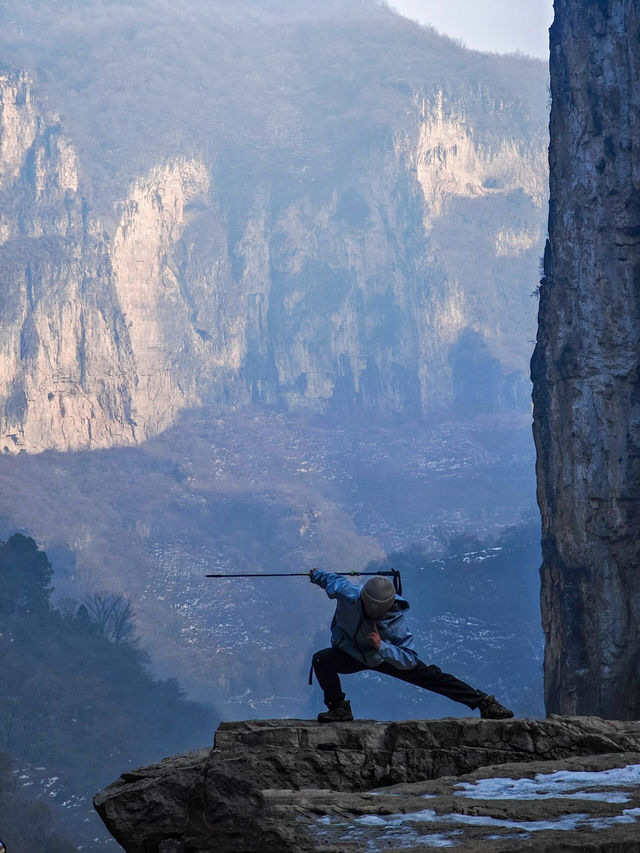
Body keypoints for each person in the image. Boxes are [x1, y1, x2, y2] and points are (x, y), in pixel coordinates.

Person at [310, 568, 514, 722]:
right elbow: (332, 580)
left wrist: (382, 647)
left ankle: (483, 702)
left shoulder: (395, 623)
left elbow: (409, 658)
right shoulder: (349, 594)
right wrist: (316, 574)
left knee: (432, 677)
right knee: (321, 660)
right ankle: (338, 708)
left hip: (382, 655)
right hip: (350, 652)